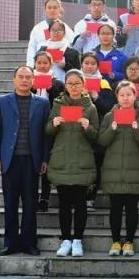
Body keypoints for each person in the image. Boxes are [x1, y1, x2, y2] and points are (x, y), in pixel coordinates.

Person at [0, 66, 51, 256]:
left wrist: (45, 158)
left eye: (28, 77)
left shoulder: (42, 103)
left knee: (30, 204)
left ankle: (29, 243)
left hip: (32, 161)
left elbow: (46, 134)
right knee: (10, 204)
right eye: (21, 77)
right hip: (10, 160)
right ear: (14, 79)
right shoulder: (2, 102)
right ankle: (10, 243)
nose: (24, 80)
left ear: (33, 80)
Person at [46, 69, 99, 258]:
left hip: (82, 160)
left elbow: (97, 136)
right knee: (64, 204)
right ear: (65, 85)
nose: (74, 87)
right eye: (70, 83)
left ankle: (78, 240)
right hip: (62, 159)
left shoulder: (90, 107)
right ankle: (66, 239)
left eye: (77, 83)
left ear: (83, 85)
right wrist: (54, 123)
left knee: (80, 203)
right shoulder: (58, 104)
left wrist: (88, 127)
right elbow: (48, 130)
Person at [97, 81, 139, 257]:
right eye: (122, 95)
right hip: (113, 171)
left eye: (129, 95)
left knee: (131, 209)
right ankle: (115, 242)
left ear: (135, 96)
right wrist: (112, 128)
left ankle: (129, 242)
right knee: (115, 209)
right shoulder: (109, 116)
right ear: (117, 97)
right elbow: (102, 141)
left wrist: (136, 128)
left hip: (135, 171)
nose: (126, 98)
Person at [80, 52, 117, 210]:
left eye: (92, 63)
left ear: (97, 66)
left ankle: (91, 197)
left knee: (95, 164)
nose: (89, 66)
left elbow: (109, 108)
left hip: (98, 130)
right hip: (78, 130)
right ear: (81, 64)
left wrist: (96, 97)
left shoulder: (104, 83)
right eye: (86, 63)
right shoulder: (75, 81)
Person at [30, 52, 65, 213]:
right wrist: (33, 88)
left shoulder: (57, 83)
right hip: (32, 126)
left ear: (50, 64)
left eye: (45, 63)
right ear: (35, 64)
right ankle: (31, 196)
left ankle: (44, 197)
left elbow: (61, 103)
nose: (42, 66)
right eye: (39, 62)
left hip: (51, 125)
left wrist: (52, 90)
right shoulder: (29, 80)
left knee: (47, 160)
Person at [26, 0, 74, 66]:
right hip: (41, 66)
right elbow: (32, 48)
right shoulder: (38, 28)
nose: (52, 10)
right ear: (45, 9)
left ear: (59, 9)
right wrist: (30, 65)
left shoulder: (66, 29)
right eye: (49, 7)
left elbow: (71, 47)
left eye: (55, 7)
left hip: (60, 67)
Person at [93, 24, 127, 90]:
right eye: (102, 34)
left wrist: (115, 75)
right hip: (94, 91)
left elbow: (127, 75)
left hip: (114, 91)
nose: (105, 36)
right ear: (98, 36)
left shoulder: (121, 56)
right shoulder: (91, 54)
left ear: (113, 36)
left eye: (108, 34)